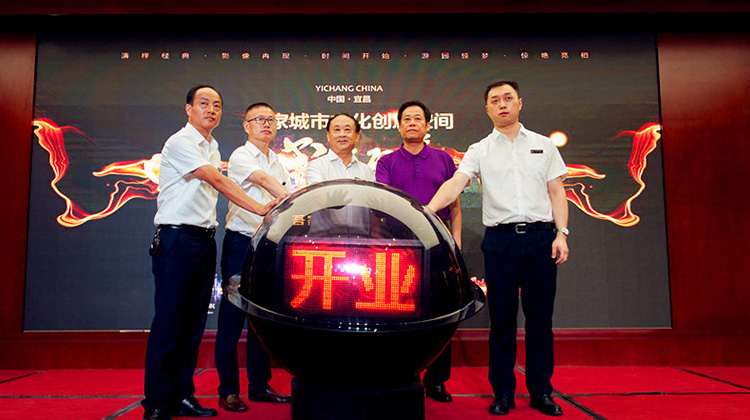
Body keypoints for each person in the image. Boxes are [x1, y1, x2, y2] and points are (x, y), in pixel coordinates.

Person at [426, 80, 569, 416]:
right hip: (500, 242)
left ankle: (541, 391)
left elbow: (557, 191)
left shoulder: (544, 145)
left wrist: (561, 233)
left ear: (520, 103)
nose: (502, 104)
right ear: (487, 109)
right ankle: (503, 393)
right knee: (502, 320)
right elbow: (456, 183)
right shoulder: (479, 149)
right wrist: (429, 210)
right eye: (495, 100)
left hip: (541, 239)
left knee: (540, 320)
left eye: (508, 98)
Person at [144, 85, 282, 420]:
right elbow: (216, 180)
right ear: (188, 108)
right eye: (204, 103)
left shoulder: (212, 145)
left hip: (204, 240)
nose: (211, 109)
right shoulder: (180, 142)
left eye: (217, 105)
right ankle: (157, 403)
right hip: (176, 239)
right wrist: (258, 208)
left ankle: (182, 395)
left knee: (193, 323)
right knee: (169, 322)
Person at [375, 101, 462, 402]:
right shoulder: (386, 162)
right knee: (396, 311)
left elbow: (455, 206)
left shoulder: (444, 159)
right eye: (407, 119)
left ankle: (436, 381)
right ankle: (399, 374)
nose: (412, 123)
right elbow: (384, 204)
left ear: (427, 125)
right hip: (398, 245)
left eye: (418, 119)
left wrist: (456, 241)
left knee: (441, 310)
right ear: (399, 126)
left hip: (438, 242)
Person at [214, 102, 292, 413]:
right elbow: (265, 183)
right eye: (259, 119)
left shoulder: (278, 161)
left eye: (271, 120)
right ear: (247, 125)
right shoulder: (241, 156)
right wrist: (296, 198)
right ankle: (228, 390)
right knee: (232, 318)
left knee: (262, 318)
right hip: (241, 242)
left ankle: (259, 385)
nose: (266, 124)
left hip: (268, 245)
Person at [305, 113, 374, 183]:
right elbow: (317, 189)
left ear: (357, 137)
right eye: (337, 130)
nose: (342, 134)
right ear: (328, 136)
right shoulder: (316, 166)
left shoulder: (367, 171)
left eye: (347, 129)